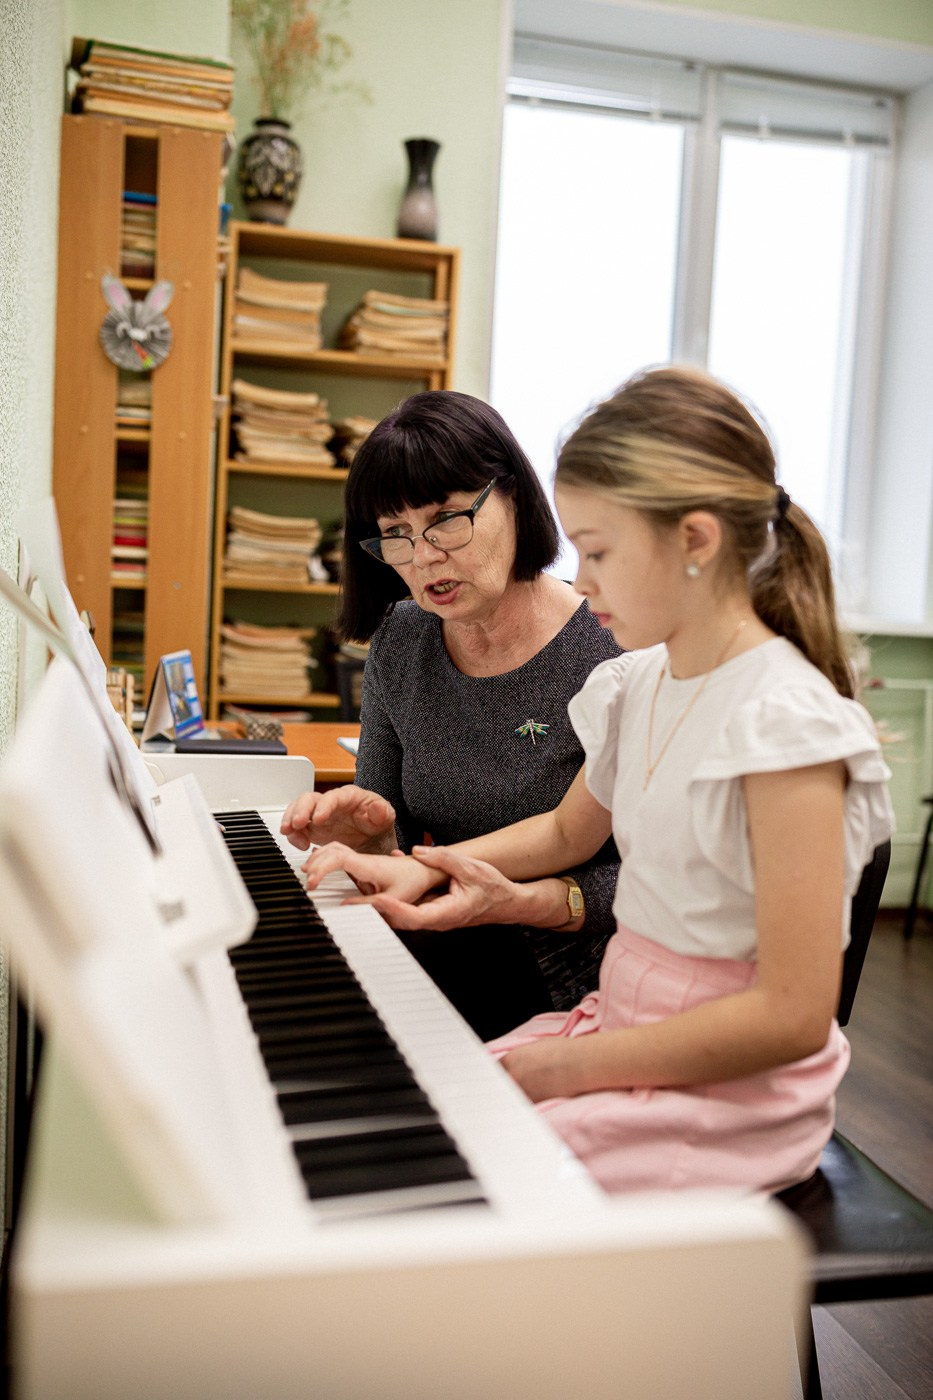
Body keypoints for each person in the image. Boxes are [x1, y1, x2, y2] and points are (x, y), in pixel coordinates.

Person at [302, 365, 895, 1197]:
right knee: (418, 1121)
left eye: (600, 552)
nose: (579, 581)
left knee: (463, 1181)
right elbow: (562, 835)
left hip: (726, 1090)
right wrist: (427, 864)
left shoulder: (785, 726)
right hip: (621, 1022)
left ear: (695, 539)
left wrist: (565, 1068)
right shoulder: (640, 684)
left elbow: (792, 1018)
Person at [281, 389, 621, 1039]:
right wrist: (375, 841)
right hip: (445, 936)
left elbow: (650, 879)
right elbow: (397, 840)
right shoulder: (401, 640)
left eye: (446, 518)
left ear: (515, 498)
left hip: (575, 969)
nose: (426, 556)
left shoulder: (611, 648)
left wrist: (523, 901)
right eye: (396, 535)